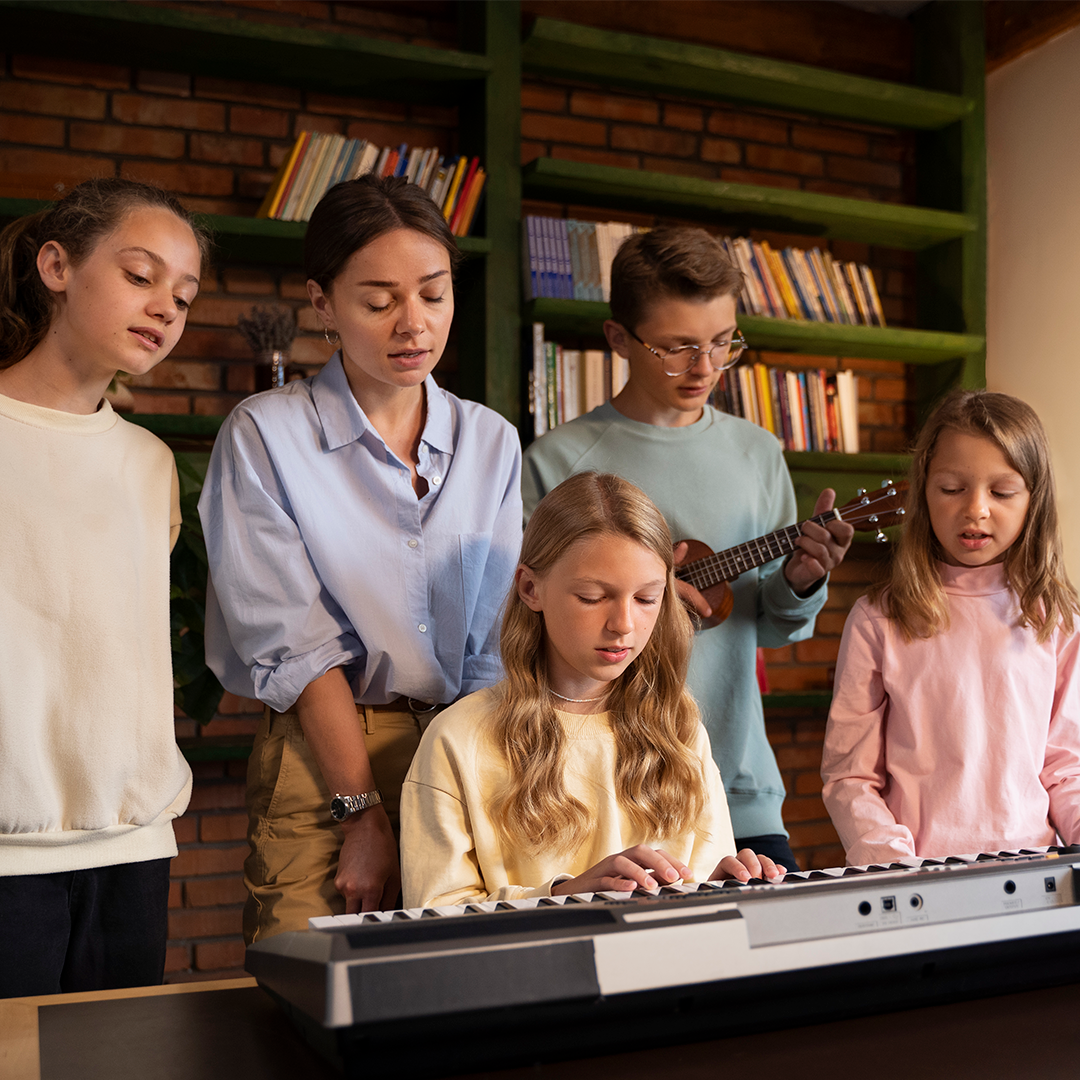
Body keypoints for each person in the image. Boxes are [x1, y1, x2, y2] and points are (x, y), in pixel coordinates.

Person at [200, 174, 522, 942]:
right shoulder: (265, 435)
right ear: (323, 305)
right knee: (309, 985)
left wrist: (481, 785)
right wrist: (361, 813)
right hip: (324, 757)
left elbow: (492, 645)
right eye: (379, 301)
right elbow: (299, 648)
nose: (414, 324)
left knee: (459, 978)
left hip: (463, 741)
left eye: (434, 295)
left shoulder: (490, 441)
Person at [521, 227, 853, 871]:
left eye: (722, 343)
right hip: (599, 797)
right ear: (618, 339)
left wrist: (801, 581)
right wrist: (642, 605)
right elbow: (525, 628)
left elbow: (777, 629)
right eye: (677, 349)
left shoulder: (759, 454)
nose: (704, 368)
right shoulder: (556, 462)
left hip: (738, 783)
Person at [0, 178, 207, 997]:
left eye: (184, 296)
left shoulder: (150, 464)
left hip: (133, 853)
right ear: (56, 265)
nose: (165, 307)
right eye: (139, 275)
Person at [401, 472, 783, 908]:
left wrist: (717, 886)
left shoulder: (680, 729)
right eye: (592, 596)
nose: (623, 625)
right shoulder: (458, 738)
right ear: (530, 589)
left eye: (646, 599)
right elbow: (433, 918)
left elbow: (697, 883)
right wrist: (566, 897)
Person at [822, 390, 1080, 864]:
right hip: (917, 879)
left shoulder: (1059, 621)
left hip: (1035, 873)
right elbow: (850, 776)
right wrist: (896, 863)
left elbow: (1068, 767)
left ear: (1033, 501)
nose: (976, 509)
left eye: (1001, 492)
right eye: (951, 488)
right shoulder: (878, 619)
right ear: (923, 492)